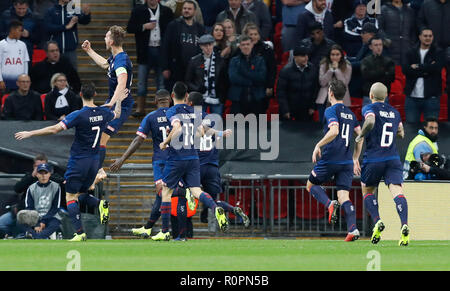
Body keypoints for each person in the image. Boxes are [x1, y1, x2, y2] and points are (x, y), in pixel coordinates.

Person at [15, 82, 127, 241]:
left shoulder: (78, 114)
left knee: (70, 197)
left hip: (79, 160)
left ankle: (80, 233)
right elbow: (116, 114)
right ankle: (100, 204)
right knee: (80, 194)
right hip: (94, 161)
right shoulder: (103, 112)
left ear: (80, 95)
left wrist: (30, 133)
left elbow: (54, 129)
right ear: (95, 95)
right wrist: (120, 100)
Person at [153, 81, 229, 241]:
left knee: (166, 192)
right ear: (187, 96)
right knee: (196, 191)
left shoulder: (172, 111)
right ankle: (215, 208)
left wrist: (165, 142)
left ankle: (165, 231)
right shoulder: (195, 112)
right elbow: (202, 131)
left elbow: (178, 127)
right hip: (194, 158)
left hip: (177, 158)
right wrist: (220, 133)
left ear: (172, 95)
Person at [353, 82, 410, 246]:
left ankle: (377, 221)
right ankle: (404, 224)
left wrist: (360, 136)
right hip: (392, 159)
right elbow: (401, 134)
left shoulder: (368, 108)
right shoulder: (395, 112)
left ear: (371, 96)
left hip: (374, 158)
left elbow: (370, 122)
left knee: (367, 189)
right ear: (386, 96)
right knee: (397, 192)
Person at [109, 89, 171, 238]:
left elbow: (138, 140)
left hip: (160, 161)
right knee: (162, 196)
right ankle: (148, 228)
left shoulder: (151, 117)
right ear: (170, 100)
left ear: (155, 101)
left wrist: (122, 159)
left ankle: (164, 231)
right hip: (178, 160)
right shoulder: (178, 116)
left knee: (163, 194)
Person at [307, 79, 362, 241]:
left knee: (310, 185)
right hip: (346, 161)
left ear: (330, 93)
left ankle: (329, 204)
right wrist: (355, 158)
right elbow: (360, 135)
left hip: (331, 157)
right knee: (344, 196)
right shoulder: (351, 114)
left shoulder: (330, 110)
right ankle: (353, 229)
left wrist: (318, 144)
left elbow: (334, 130)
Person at [186, 91, 250, 227]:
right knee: (213, 201)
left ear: (190, 103)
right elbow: (217, 139)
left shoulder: (188, 119)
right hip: (213, 165)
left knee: (185, 195)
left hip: (196, 165)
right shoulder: (213, 119)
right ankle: (233, 210)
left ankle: (183, 231)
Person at [81, 26, 135, 180]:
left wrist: (111, 103)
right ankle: (96, 169)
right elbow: (105, 64)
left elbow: (122, 81)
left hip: (121, 105)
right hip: (113, 101)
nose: (104, 39)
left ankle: (99, 171)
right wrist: (89, 51)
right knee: (95, 134)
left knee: (102, 138)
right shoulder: (115, 58)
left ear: (111, 41)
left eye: (106, 37)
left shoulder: (121, 60)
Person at [126, 0, 174, 117]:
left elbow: (171, 30)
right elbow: (129, 27)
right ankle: (140, 108)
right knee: (142, 82)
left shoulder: (166, 11)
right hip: (145, 51)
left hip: (161, 50)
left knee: (161, 83)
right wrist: (143, 26)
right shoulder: (138, 10)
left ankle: (162, 109)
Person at [0, 153, 64, 238]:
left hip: (45, 211)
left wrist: (45, 175)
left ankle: (28, 236)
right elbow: (17, 189)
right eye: (37, 166)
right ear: (33, 166)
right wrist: (32, 176)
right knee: (3, 223)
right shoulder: (29, 178)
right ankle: (13, 238)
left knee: (54, 223)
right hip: (25, 210)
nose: (40, 169)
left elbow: (61, 182)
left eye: (42, 166)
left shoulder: (53, 180)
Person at [161, 0, 206, 91]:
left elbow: (202, 49)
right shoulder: (173, 25)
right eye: (184, 8)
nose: (186, 10)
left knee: (193, 98)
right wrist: (165, 67)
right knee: (175, 98)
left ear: (194, 11)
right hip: (176, 68)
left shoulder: (200, 28)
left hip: (194, 70)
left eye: (189, 9)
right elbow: (165, 47)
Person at [403, 28, 444, 124]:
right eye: (425, 36)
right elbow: (406, 70)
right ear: (420, 37)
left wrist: (417, 66)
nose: (428, 38)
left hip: (431, 98)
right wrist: (428, 68)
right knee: (411, 131)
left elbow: (437, 68)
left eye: (430, 36)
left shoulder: (438, 52)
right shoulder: (410, 52)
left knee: (431, 131)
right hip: (412, 98)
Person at [185, 34, 228, 115]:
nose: (208, 47)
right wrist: (197, 88)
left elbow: (225, 81)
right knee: (198, 124)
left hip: (216, 99)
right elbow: (188, 81)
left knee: (216, 124)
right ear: (201, 46)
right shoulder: (194, 61)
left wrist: (222, 96)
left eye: (210, 44)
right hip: (199, 99)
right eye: (205, 45)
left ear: (213, 44)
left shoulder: (221, 61)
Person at [19, 163, 62, 239]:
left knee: (55, 223)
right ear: (37, 174)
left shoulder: (56, 187)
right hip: (35, 217)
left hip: (50, 216)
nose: (43, 176)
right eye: (41, 173)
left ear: (49, 174)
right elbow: (29, 207)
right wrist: (37, 223)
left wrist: (43, 221)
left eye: (46, 173)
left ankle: (34, 236)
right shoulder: (31, 188)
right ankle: (39, 236)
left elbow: (56, 207)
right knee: (20, 221)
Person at [45, 0, 91, 69]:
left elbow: (84, 21)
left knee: (72, 73)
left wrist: (87, 14)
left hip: (70, 49)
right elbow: (48, 27)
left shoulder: (74, 9)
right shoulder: (51, 10)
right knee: (54, 73)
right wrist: (66, 27)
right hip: (55, 49)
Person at [276, 44, 318, 121]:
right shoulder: (286, 71)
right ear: (295, 57)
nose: (306, 58)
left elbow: (315, 89)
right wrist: (285, 110)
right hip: (290, 108)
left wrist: (312, 106)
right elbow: (281, 92)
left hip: (306, 109)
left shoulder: (312, 68)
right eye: (302, 56)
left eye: (306, 55)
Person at [228, 35, 267, 115]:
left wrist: (244, 73)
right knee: (235, 126)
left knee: (258, 126)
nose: (246, 47)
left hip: (256, 98)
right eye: (243, 44)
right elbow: (234, 78)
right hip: (238, 99)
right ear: (239, 46)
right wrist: (252, 82)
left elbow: (261, 77)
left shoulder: (260, 60)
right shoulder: (234, 61)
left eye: (248, 44)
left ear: (252, 45)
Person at [243, 23, 276, 113]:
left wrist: (270, 86)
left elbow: (272, 69)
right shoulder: (241, 49)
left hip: (262, 88)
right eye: (251, 34)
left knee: (260, 117)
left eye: (255, 34)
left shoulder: (267, 49)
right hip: (245, 89)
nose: (254, 37)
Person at [317, 44, 352, 122]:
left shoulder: (347, 66)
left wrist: (336, 70)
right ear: (329, 55)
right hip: (325, 99)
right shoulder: (323, 64)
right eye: (332, 55)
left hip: (341, 99)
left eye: (337, 55)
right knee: (324, 124)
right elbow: (322, 82)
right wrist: (330, 70)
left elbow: (344, 83)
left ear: (341, 55)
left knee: (340, 124)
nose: (335, 57)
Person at [378, 0, 416, 65]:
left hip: (406, 49)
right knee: (392, 72)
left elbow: (413, 30)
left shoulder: (409, 10)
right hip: (390, 49)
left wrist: (411, 44)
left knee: (404, 73)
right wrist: (385, 40)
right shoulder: (383, 9)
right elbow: (379, 28)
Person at [360, 36, 395, 107]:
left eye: (380, 45)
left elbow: (391, 78)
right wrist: (383, 72)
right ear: (370, 47)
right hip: (369, 96)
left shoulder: (389, 61)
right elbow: (366, 76)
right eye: (376, 45)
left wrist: (375, 74)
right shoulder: (366, 61)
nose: (379, 47)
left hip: (383, 97)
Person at [0, 20, 30, 93]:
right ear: (13, 30)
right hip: (5, 82)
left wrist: (25, 79)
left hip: (20, 83)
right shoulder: (1, 44)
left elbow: (25, 63)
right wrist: (0, 80)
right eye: (20, 30)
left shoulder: (23, 45)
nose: (21, 33)